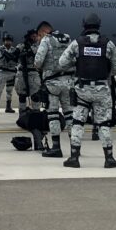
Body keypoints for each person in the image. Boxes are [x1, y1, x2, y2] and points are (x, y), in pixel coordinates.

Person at [58, 13, 116, 168]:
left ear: (83, 25)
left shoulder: (77, 43)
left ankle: (74, 158)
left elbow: (62, 63)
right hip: (102, 89)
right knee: (104, 124)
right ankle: (109, 158)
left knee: (78, 122)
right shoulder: (109, 44)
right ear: (99, 25)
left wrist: (76, 61)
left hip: (82, 89)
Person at [34, 22, 74, 158]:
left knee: (53, 115)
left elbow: (38, 61)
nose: (38, 38)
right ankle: (75, 148)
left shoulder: (47, 40)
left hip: (52, 84)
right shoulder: (68, 38)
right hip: (69, 82)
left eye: (39, 35)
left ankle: (56, 147)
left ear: (43, 32)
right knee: (70, 115)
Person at [0, 34, 19, 113]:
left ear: (11, 42)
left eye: (9, 40)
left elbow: (18, 61)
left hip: (12, 72)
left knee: (9, 91)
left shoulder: (14, 50)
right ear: (4, 41)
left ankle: (8, 107)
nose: (8, 42)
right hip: (2, 72)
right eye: (6, 40)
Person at [15, 30, 42, 112]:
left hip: (34, 72)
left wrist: (30, 51)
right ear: (29, 37)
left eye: (36, 36)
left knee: (36, 95)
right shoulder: (21, 46)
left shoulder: (40, 47)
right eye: (33, 36)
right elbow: (14, 56)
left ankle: (36, 112)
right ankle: (22, 112)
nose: (35, 38)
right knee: (22, 95)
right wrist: (22, 53)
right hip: (22, 72)